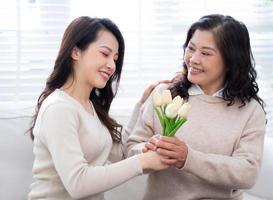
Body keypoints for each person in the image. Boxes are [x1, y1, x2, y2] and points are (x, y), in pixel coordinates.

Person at [27, 16, 169, 200]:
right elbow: (78, 183)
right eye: (105, 54)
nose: (112, 65)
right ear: (75, 52)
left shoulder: (91, 106)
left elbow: (120, 153)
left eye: (115, 59)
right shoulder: (59, 108)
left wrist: (141, 105)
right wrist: (142, 161)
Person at [127, 14, 266, 200]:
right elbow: (131, 149)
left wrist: (188, 158)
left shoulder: (250, 110)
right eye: (190, 49)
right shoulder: (165, 94)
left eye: (206, 53)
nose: (193, 59)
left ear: (231, 61)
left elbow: (247, 173)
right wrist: (148, 150)